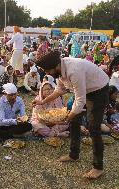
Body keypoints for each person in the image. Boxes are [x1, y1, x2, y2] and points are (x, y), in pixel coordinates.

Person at [33, 51, 109, 179]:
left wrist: (68, 117)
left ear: (56, 66)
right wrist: (42, 101)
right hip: (84, 90)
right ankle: (74, 155)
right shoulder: (59, 70)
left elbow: (80, 101)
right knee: (74, 123)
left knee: (93, 127)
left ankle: (98, 167)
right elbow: (59, 90)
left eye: (48, 70)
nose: (47, 73)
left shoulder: (74, 70)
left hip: (98, 91)